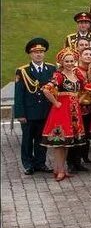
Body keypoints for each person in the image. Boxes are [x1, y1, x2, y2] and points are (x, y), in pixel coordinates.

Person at [40, 48, 88, 181]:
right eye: (67, 61)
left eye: (72, 61)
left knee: (67, 142)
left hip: (73, 111)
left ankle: (60, 169)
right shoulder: (59, 76)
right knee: (59, 142)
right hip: (62, 111)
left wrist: (81, 99)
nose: (69, 63)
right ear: (62, 62)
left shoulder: (77, 75)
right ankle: (60, 170)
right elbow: (46, 89)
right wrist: (56, 103)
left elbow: (85, 89)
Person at [14, 37, 57, 175]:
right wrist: (20, 114)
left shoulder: (51, 68)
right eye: (35, 52)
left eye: (41, 52)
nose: (38, 54)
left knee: (42, 139)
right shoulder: (23, 71)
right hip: (29, 111)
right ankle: (28, 164)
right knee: (27, 139)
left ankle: (40, 163)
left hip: (45, 111)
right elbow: (19, 94)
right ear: (30, 54)